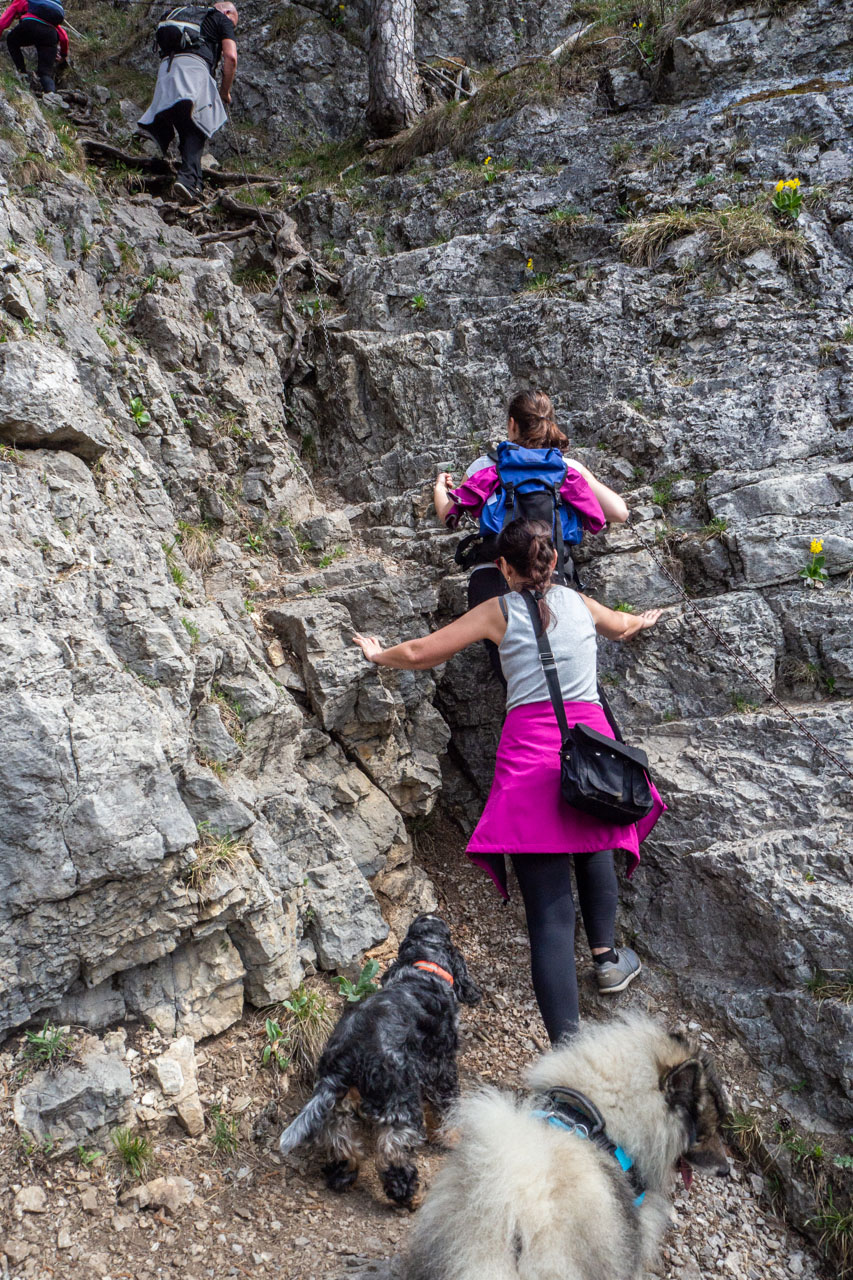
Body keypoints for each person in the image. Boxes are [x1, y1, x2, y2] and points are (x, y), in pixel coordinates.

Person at [353, 520, 665, 1045]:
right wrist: (645, 620)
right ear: (554, 558)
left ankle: (568, 1053)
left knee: (548, 917)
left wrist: (376, 653)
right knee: (594, 839)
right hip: (592, 751)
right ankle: (607, 960)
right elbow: (625, 626)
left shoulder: (497, 610)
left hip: (530, 762)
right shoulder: (581, 604)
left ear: (504, 567)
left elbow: (420, 653)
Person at [433, 390, 629, 679]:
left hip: (494, 578)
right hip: (552, 576)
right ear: (549, 422)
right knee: (565, 675)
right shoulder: (566, 468)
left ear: (512, 424)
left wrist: (440, 487)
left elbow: (449, 512)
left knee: (516, 676)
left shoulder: (486, 466)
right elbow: (619, 512)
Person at [138, 2, 238, 206]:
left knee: (182, 119)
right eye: (234, 23)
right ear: (228, 12)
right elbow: (231, 57)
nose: (232, 26)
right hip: (194, 70)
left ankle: (163, 164)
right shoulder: (221, 18)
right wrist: (224, 92)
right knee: (197, 124)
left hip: (167, 70)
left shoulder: (185, 14)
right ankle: (189, 181)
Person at [0, 0, 68, 94]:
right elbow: (64, 38)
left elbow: (2, 23)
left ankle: (22, 72)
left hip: (29, 26)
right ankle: (52, 96)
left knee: (12, 41)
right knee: (45, 73)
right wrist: (63, 55)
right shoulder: (48, 14)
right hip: (50, 35)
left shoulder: (20, 1)